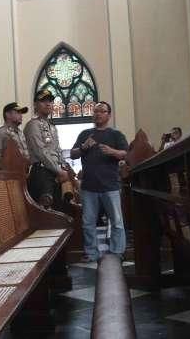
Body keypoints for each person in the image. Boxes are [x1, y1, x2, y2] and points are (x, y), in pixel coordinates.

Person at [70, 101, 129, 262]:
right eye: (95, 111)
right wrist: (83, 147)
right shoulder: (85, 133)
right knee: (88, 223)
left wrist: (112, 151)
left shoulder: (116, 135)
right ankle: (91, 253)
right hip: (89, 186)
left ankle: (117, 252)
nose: (97, 114)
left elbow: (126, 153)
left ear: (109, 115)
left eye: (101, 111)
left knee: (116, 222)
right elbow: (73, 154)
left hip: (110, 185)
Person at [24, 89, 70, 208]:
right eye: (43, 101)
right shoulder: (32, 125)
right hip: (42, 172)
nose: (48, 104)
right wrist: (59, 171)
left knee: (57, 209)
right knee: (45, 211)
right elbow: (41, 152)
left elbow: (58, 150)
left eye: (50, 101)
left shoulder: (52, 126)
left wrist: (64, 167)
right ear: (35, 104)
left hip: (55, 173)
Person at [0, 102, 30, 169]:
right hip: (8, 173)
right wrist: (7, 166)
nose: (21, 115)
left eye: (21, 113)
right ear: (8, 114)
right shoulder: (0, 132)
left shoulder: (20, 132)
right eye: (17, 112)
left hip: (22, 171)